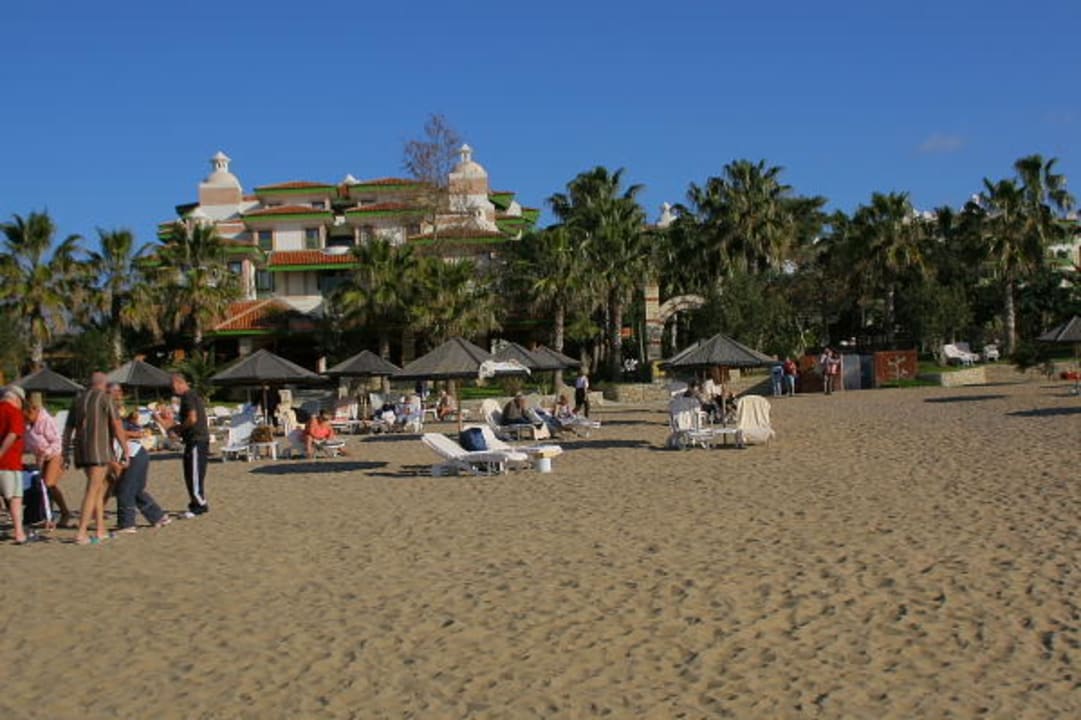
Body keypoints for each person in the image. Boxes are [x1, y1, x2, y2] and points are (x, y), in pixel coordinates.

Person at [64, 371, 128, 545]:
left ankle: (100, 529)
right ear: (104, 384)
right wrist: (125, 449)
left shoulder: (78, 400)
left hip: (81, 451)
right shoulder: (106, 399)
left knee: (98, 488)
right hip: (99, 450)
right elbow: (117, 425)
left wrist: (65, 452)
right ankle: (81, 532)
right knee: (93, 489)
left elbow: (68, 430)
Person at [113, 409, 170, 533]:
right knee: (136, 489)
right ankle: (158, 517)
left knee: (125, 490)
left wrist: (118, 477)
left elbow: (115, 464)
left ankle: (127, 524)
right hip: (139, 453)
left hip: (133, 455)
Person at [23, 392, 72, 529]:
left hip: (55, 454)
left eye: (27, 415)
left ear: (33, 410)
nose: (25, 418)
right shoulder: (27, 423)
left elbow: (57, 442)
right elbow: (26, 443)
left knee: (48, 484)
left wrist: (45, 454)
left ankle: (56, 515)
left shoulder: (45, 421)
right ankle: (58, 513)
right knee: (45, 486)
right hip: (41, 456)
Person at [170, 372, 210, 518]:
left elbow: (192, 418)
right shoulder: (191, 396)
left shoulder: (188, 396)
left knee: (194, 474)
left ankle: (199, 504)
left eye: (172, 385)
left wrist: (180, 429)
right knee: (191, 473)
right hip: (195, 440)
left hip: (197, 440)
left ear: (179, 383)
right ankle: (196, 502)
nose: (172, 389)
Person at [0, 385, 32, 544]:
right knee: (15, 498)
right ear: (17, 399)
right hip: (10, 462)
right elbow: (13, 433)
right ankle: (19, 533)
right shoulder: (14, 412)